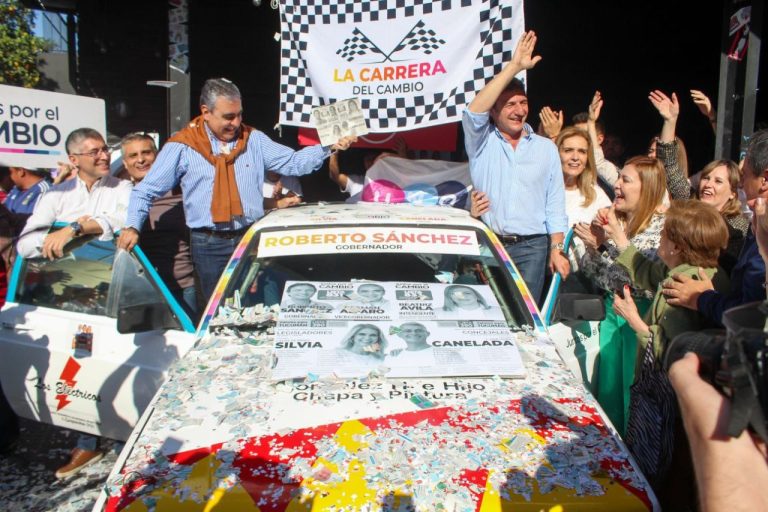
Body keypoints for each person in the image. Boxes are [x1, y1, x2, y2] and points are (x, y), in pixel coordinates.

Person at [119, 78, 355, 301]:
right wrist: (132, 226)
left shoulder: (253, 139)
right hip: (208, 244)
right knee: (217, 309)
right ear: (206, 112)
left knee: (257, 304)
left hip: (250, 237)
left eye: (239, 115)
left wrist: (328, 146)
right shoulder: (183, 146)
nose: (235, 123)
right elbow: (145, 190)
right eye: (228, 117)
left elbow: (292, 163)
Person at [15, 127, 132, 478]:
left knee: (127, 358)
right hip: (77, 294)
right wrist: (61, 234)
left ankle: (130, 436)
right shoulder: (56, 194)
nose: (103, 156)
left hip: (121, 288)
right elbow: (26, 243)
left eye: (105, 150)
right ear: (74, 159)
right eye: (94, 151)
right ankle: (87, 443)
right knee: (84, 363)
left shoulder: (121, 188)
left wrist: (77, 229)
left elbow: (125, 217)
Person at [602, 200, 729, 502]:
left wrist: (634, 320)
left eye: (665, 234)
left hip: (670, 405)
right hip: (692, 404)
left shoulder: (683, 283)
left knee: (661, 475)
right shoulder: (701, 271)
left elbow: (672, 351)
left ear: (678, 245)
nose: (660, 237)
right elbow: (648, 272)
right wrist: (620, 239)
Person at [463, 31, 569, 305]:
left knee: (524, 317)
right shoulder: (481, 142)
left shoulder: (545, 148)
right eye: (509, 104)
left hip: (533, 247)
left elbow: (555, 204)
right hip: (489, 242)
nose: (519, 110)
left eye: (523, 103)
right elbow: (473, 112)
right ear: (494, 112)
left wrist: (557, 250)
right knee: (487, 311)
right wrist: (515, 66)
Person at [573, 155, 667, 436]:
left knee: (632, 397)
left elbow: (645, 282)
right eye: (619, 178)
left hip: (640, 318)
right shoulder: (617, 221)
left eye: (626, 179)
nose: (617, 185)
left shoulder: (662, 228)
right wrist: (594, 247)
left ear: (647, 187)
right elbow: (598, 276)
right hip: (613, 315)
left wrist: (610, 245)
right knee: (610, 394)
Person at [662, 129, 768, 326]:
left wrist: (702, 298)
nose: (742, 185)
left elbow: (749, 316)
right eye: (706, 177)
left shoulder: (741, 231)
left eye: (743, 176)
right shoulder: (757, 225)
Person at [648, 90, 748, 271]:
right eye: (706, 178)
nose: (708, 184)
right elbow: (669, 165)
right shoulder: (689, 202)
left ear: (733, 192)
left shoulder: (738, 227)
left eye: (718, 181)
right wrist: (670, 121)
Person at [117, 133, 197, 318]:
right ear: (125, 163)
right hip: (137, 290)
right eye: (133, 155)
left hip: (181, 288)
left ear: (158, 156)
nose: (141, 160)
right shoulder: (120, 195)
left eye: (146, 153)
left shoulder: (180, 193)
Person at [556, 127, 612, 226]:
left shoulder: (596, 195)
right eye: (568, 150)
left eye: (582, 151)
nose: (575, 157)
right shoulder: (541, 190)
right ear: (556, 154)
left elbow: (611, 232)